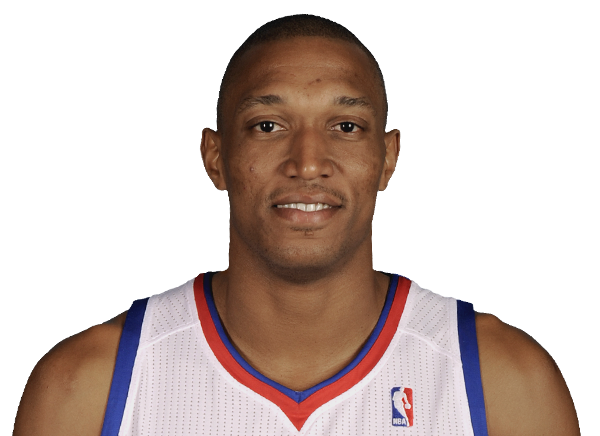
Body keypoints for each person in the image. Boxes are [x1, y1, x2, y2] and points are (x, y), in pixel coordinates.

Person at [14, 14, 579, 436]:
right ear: (215, 157)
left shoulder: (505, 385)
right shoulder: (86, 390)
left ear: (388, 159)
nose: (308, 163)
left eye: (346, 126)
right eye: (267, 125)